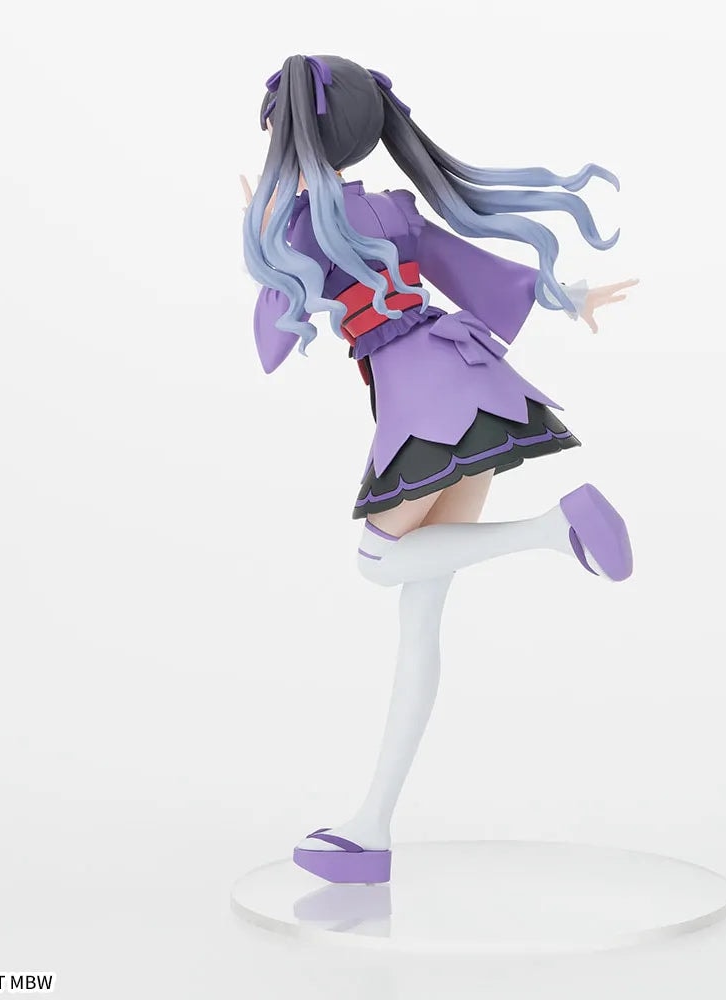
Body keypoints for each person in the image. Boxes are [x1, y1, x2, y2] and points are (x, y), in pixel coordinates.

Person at [242, 54, 637, 884]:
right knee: (419, 617)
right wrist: (569, 296)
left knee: (378, 561)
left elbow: (272, 347)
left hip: (426, 400)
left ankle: (554, 531)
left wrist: (267, 241)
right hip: (468, 372)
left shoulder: (301, 229)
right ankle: (370, 832)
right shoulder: (393, 208)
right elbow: (479, 275)